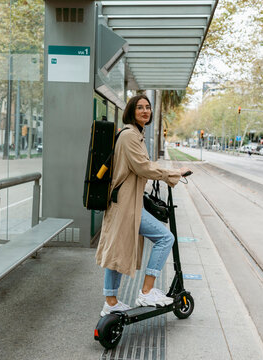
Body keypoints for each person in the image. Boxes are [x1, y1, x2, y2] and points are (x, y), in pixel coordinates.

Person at [95, 94, 191, 317]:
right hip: (125, 205)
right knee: (165, 238)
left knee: (117, 251)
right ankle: (146, 291)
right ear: (131, 111)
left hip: (126, 203)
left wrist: (166, 172)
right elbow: (143, 167)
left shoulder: (134, 134)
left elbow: (142, 166)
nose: (145, 111)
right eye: (140, 108)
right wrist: (172, 173)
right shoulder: (130, 136)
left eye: (148, 107)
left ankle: (111, 301)